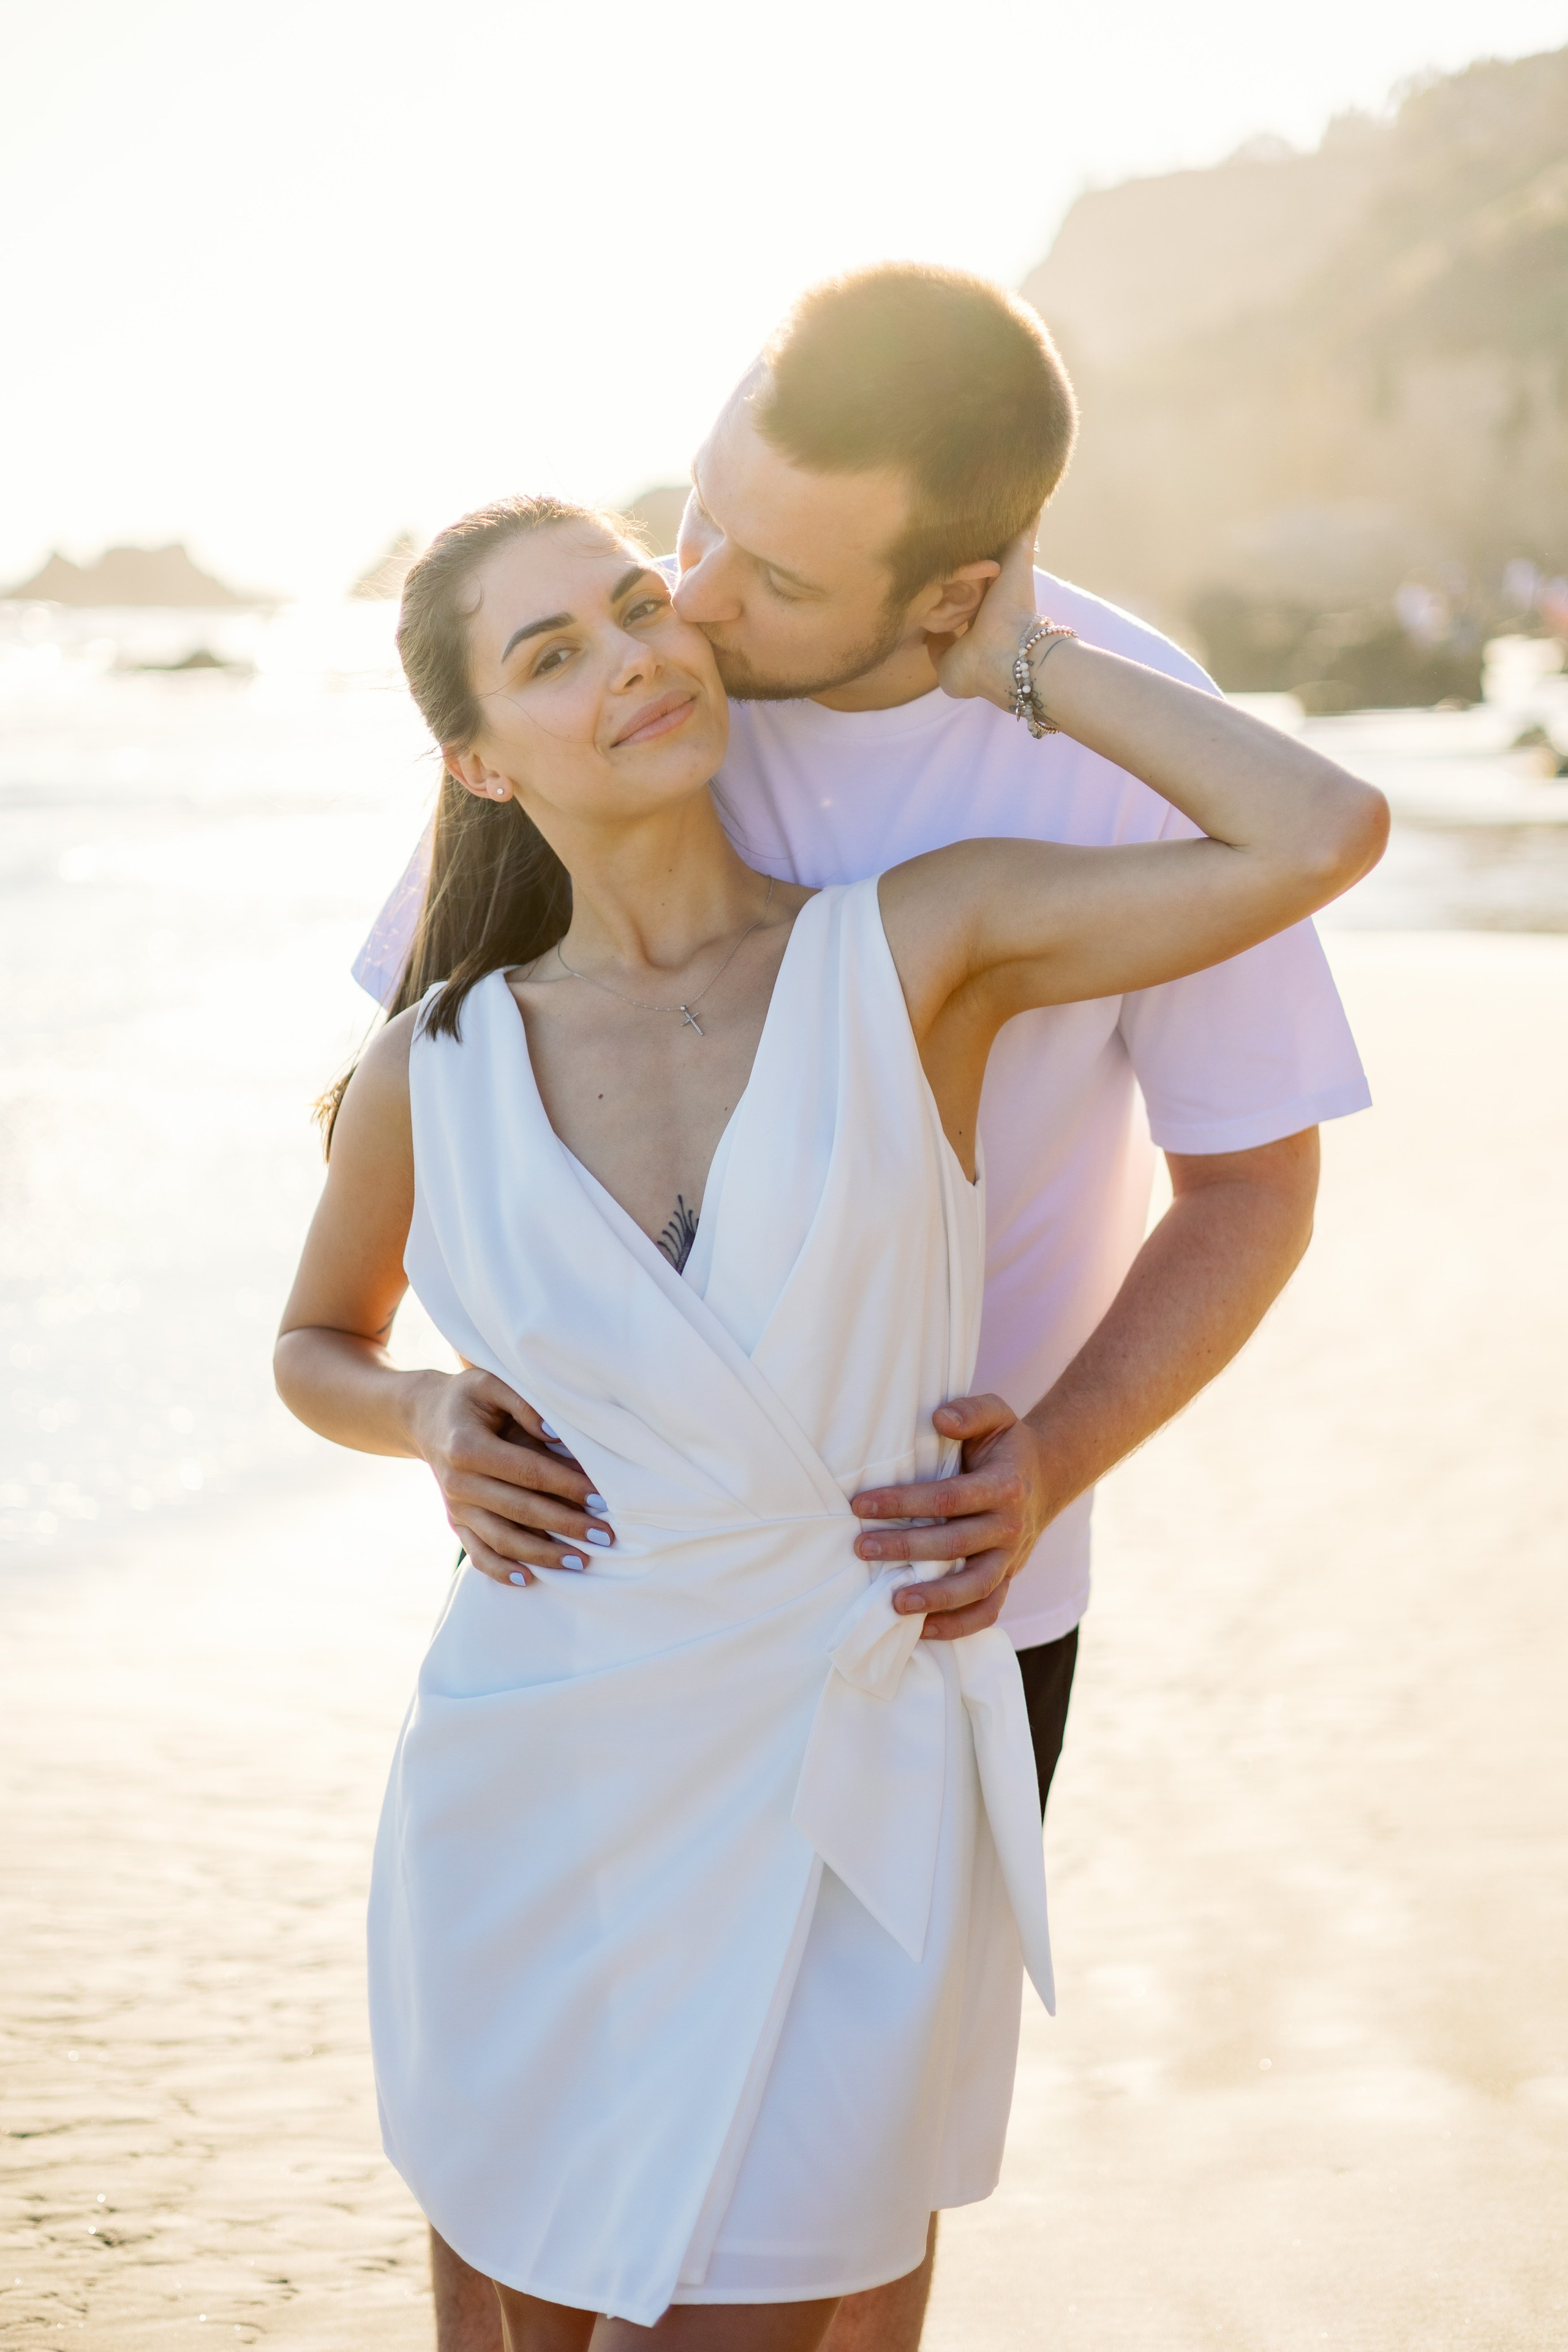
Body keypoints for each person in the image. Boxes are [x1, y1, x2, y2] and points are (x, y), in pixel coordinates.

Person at [348, 266, 1376, 2352]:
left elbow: (1255, 1178)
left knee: (821, 2226)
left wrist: (1052, 1464)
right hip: (611, 1642)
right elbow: (454, 1100)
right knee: (544, 2210)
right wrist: (440, 1411)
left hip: (936, 1599)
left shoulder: (1096, 755)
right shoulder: (633, 696)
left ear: (952, 593)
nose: (694, 601)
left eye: (771, 571)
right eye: (691, 516)